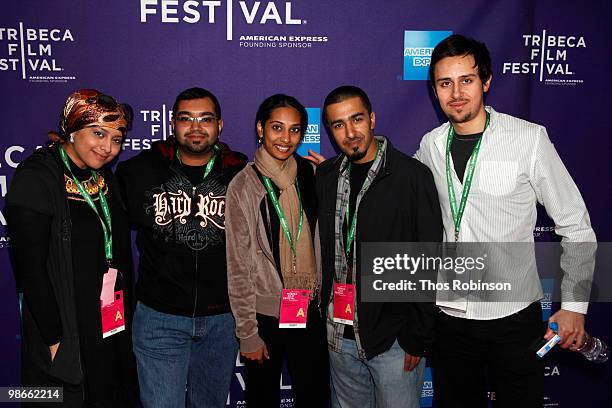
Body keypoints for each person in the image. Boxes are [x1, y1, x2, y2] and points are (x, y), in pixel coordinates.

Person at [415, 34, 597, 408]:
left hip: (512, 317)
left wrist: (575, 305)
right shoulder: (430, 145)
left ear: (486, 81)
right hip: (449, 316)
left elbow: (576, 224)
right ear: (434, 91)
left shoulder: (528, 139)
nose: (457, 93)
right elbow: (403, 198)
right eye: (445, 83)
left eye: (466, 80)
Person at [6, 89, 139, 406]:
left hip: (109, 321)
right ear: (72, 128)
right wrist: (55, 342)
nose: (108, 147)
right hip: (65, 327)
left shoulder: (105, 176)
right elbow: (31, 271)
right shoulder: (36, 177)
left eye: (117, 138)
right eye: (98, 133)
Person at [115, 87, 247, 407]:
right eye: (186, 119)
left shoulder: (241, 173)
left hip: (222, 321)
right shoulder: (138, 172)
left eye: (205, 119)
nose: (196, 127)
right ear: (172, 124)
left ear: (220, 125)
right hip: (160, 317)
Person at [316, 85, 443, 408]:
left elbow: (430, 258)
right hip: (338, 337)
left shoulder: (412, 176)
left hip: (394, 341)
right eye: (338, 124)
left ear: (372, 118)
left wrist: (417, 336)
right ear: (330, 130)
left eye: (356, 119)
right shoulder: (327, 175)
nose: (350, 132)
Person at [225, 94, 330, 407]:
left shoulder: (311, 176)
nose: (286, 138)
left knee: (314, 397)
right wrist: (248, 333)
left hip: (309, 308)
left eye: (295, 130)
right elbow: (238, 266)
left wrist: (331, 180)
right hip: (265, 317)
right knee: (262, 399)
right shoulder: (244, 185)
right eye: (277, 128)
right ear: (261, 128)